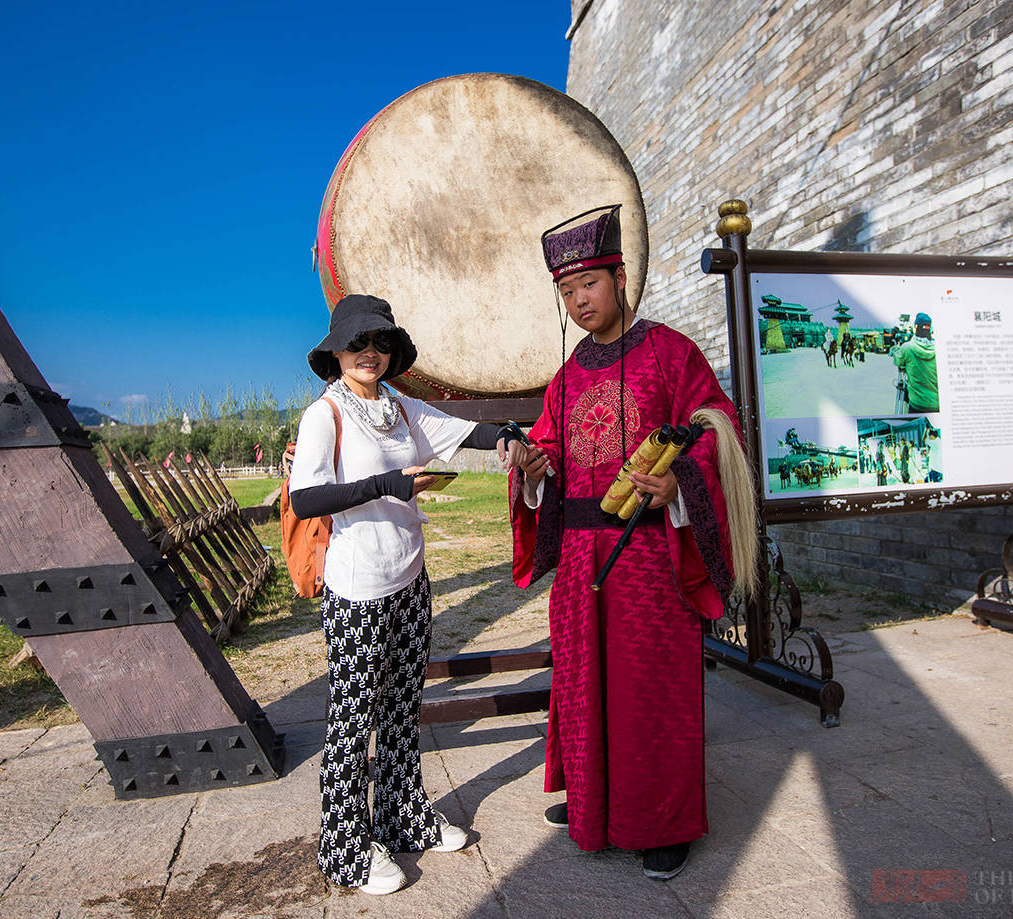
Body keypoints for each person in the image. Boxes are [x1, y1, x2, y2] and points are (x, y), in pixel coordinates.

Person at [508, 205, 758, 882]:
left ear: (620, 278)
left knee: (649, 692)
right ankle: (595, 801)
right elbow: (552, 450)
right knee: (586, 683)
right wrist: (535, 468)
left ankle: (661, 821)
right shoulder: (565, 378)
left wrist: (677, 479)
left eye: (588, 282)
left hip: (649, 556)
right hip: (586, 561)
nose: (579, 298)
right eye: (566, 290)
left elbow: (716, 428)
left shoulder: (672, 354)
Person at [289, 294, 521, 896]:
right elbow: (305, 498)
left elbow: (466, 431)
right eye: (359, 342)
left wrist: (513, 434)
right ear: (336, 350)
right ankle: (343, 847)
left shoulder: (400, 406)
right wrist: (387, 484)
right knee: (352, 719)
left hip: (409, 578)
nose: (371, 352)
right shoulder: (326, 415)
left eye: (382, 343)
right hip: (357, 586)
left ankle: (402, 815)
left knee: (399, 706)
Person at [892, 312, 938, 413]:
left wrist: (895, 346)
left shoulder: (907, 348)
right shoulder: (937, 349)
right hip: (936, 404)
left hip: (917, 405)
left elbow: (897, 360)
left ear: (916, 327)